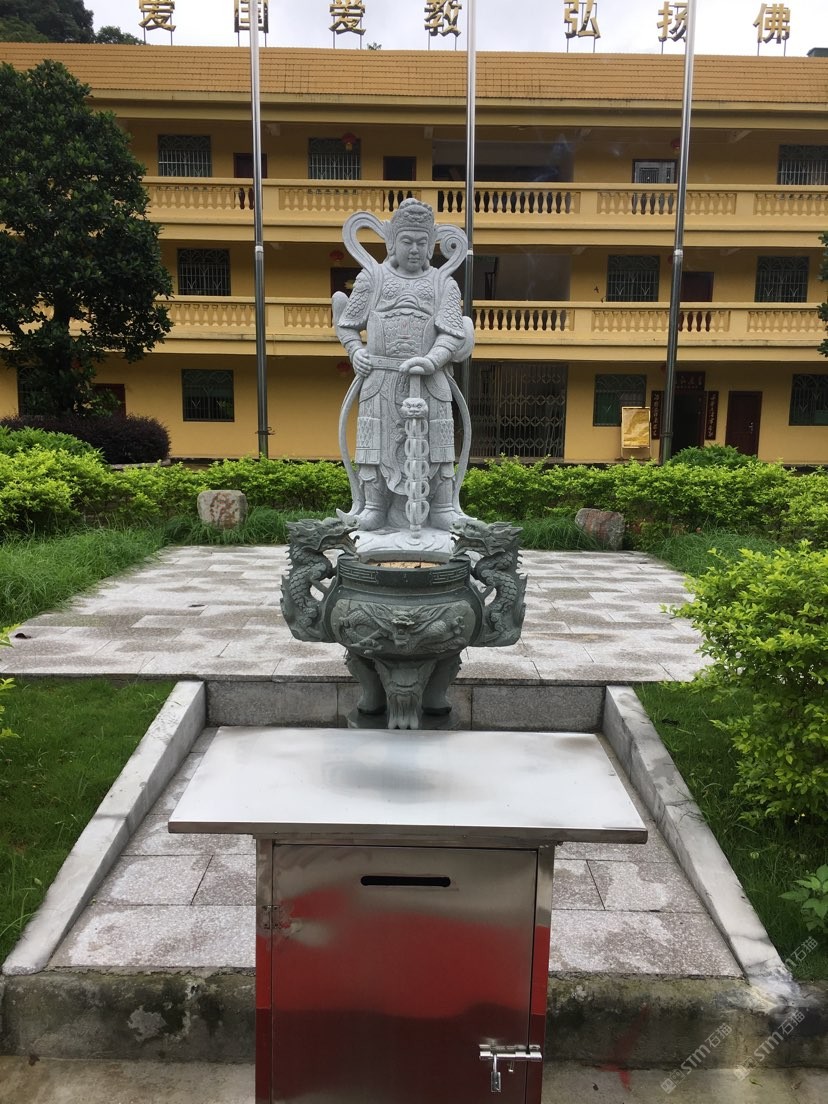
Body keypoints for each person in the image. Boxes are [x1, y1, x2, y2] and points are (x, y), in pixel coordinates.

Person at [333, 198, 472, 531]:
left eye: (422, 242)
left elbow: (452, 333)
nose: (414, 249)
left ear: (431, 245)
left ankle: (442, 507)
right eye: (407, 241)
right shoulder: (373, 277)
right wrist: (355, 351)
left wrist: (432, 360)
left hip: (430, 380)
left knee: (438, 443)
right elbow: (348, 324)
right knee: (374, 444)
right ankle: (374, 506)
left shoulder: (443, 283)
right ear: (392, 242)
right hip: (380, 377)